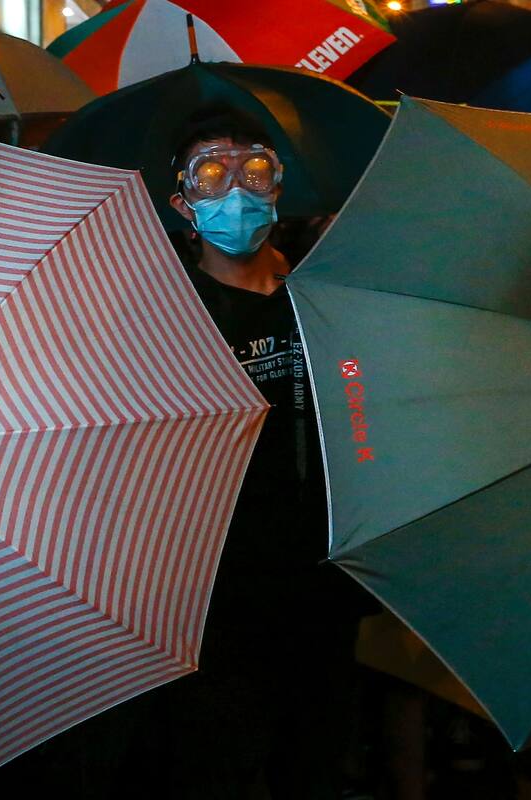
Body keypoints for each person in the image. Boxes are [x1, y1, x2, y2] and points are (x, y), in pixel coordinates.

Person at [130, 107, 372, 799]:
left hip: (327, 575)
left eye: (254, 170)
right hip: (216, 589)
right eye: (211, 174)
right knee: (220, 763)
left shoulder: (324, 294)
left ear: (279, 185)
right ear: (182, 205)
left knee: (315, 761)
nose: (236, 189)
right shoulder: (165, 313)